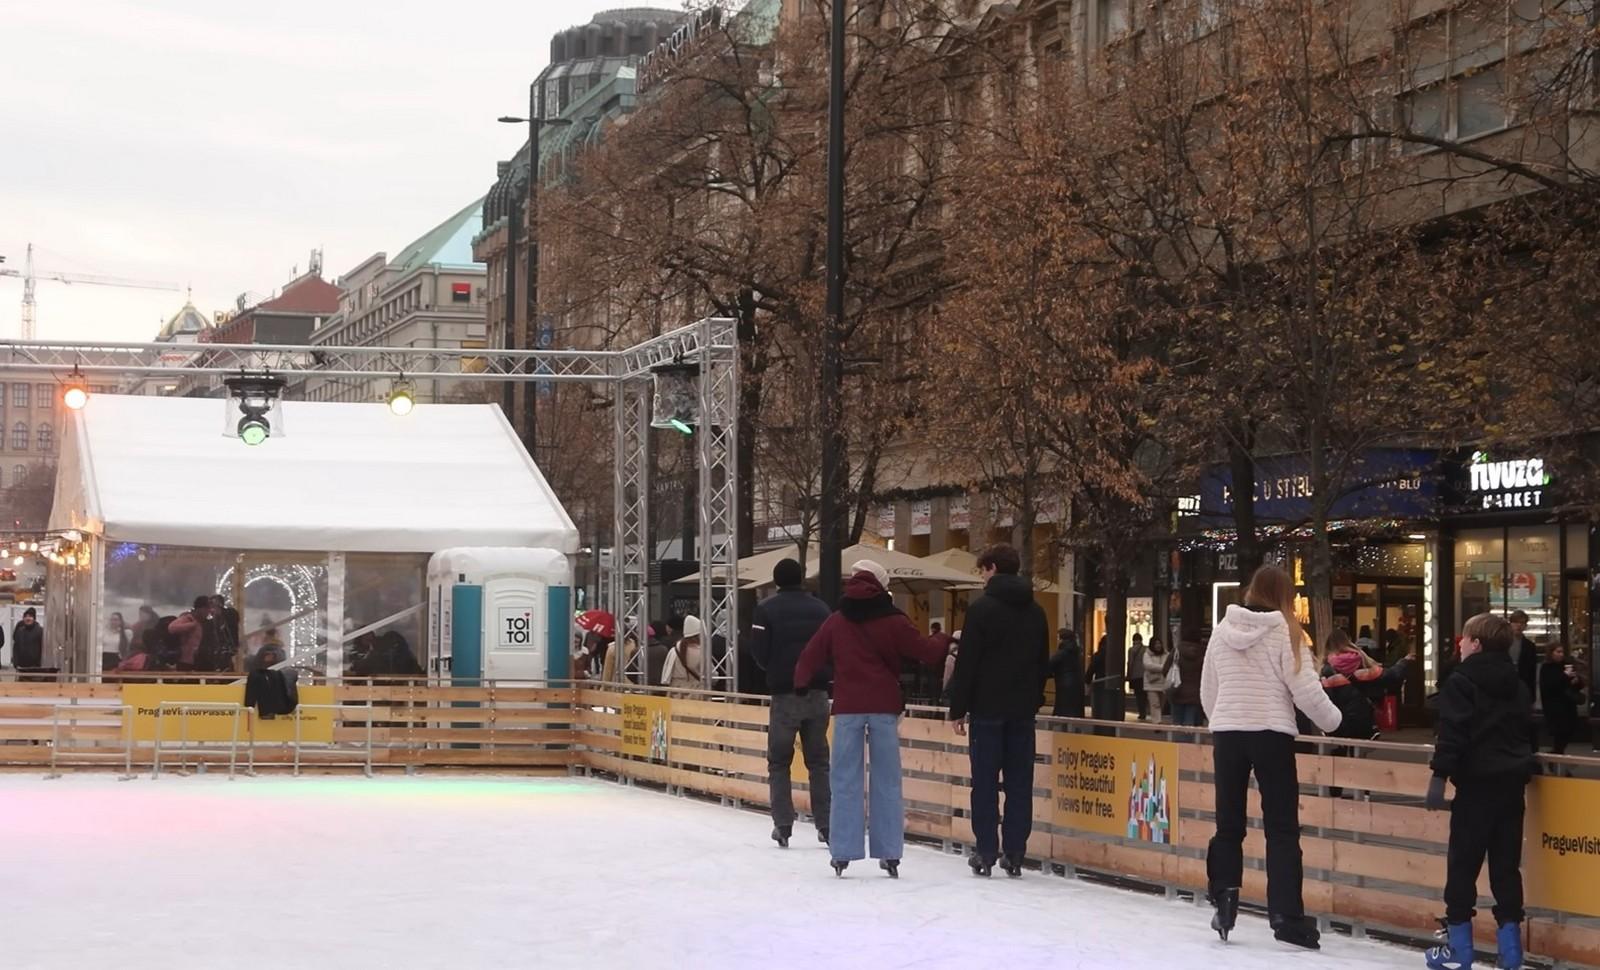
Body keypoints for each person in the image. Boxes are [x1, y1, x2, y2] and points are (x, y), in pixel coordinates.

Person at [1201, 565, 1342, 950]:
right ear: (1283, 595)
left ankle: (1224, 902)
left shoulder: (1221, 631)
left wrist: (1225, 719)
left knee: (1228, 824)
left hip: (1228, 735)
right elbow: (1306, 690)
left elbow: (1208, 689)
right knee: (1281, 828)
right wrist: (1335, 721)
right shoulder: (1285, 631)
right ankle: (1286, 916)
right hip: (1272, 736)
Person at [794, 559, 947, 877]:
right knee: (887, 780)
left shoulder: (837, 620)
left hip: (848, 706)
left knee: (844, 780)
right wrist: (945, 639)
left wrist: (801, 682)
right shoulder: (893, 619)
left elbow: (811, 653)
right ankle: (889, 852)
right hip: (884, 705)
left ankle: (843, 851)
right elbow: (926, 652)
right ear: (881, 585)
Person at [1423, 612, 1535, 970]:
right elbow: (1527, 732)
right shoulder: (1518, 686)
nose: (1460, 643)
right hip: (1511, 786)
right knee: (1506, 867)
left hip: (1475, 787)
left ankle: (1459, 950)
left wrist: (1439, 777)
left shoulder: (1461, 682)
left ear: (1477, 644)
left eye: (1465, 638)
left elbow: (1454, 731)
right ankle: (1511, 948)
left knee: (1463, 865)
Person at [946, 544, 1049, 877]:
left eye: (983, 570)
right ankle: (1015, 852)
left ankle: (986, 851)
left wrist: (958, 708)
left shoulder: (981, 610)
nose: (982, 577)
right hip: (1022, 712)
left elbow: (968, 664)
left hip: (987, 709)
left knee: (985, 782)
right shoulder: (1036, 612)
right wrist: (1033, 700)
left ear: (991, 568)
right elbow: (1041, 664)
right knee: (1020, 783)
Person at [749, 558, 834, 848]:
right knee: (819, 761)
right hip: (818, 692)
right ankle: (826, 824)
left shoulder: (766, 609)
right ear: (802, 578)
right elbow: (831, 647)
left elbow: (758, 652)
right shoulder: (822, 609)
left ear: (776, 581)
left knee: (779, 761)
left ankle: (783, 824)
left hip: (785, 694)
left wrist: (774, 669)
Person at [1539, 643, 1585, 755]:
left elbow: (1577, 685)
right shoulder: (1546, 668)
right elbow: (1550, 686)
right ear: (1551, 653)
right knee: (1560, 734)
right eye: (1558, 652)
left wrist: (1576, 681)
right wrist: (1565, 676)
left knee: (1568, 733)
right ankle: (1556, 759)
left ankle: (1555, 758)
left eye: (1562, 652)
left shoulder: (1565, 665)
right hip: (1555, 707)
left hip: (1568, 705)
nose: (1561, 655)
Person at [1170, 631, 1206, 728]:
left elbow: (1166, 669)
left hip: (1177, 691)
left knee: (1177, 725)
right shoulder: (1203, 652)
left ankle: (1178, 741)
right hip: (1195, 693)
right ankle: (1190, 742)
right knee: (1190, 725)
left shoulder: (1176, 651)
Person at [1048, 628, 1086, 718]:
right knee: (1073, 715)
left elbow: (1049, 666)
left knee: (1064, 714)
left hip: (1064, 687)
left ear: (1062, 639)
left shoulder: (1062, 653)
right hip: (1076, 687)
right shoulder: (1076, 652)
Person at [167, 597, 211, 672]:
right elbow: (171, 628)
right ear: (199, 608)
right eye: (206, 609)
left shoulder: (204, 622)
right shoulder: (188, 618)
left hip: (199, 662)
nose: (208, 612)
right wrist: (192, 625)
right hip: (185, 661)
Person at [662, 615, 705, 690]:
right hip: (695, 691)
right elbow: (711, 675)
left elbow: (666, 674)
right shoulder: (701, 652)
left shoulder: (673, 651)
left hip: (675, 691)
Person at [1507, 610, 1539, 693]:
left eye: (1522, 623)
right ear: (1510, 624)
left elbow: (1532, 672)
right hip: (1505, 682)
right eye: (1516, 622)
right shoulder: (1503, 642)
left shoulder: (1530, 646)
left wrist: (1532, 694)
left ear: (1525, 626)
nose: (1519, 625)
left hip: (1523, 684)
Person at [1142, 637, 1171, 725]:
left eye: (1159, 643)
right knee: (1155, 703)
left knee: (1161, 704)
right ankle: (1156, 722)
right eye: (1156, 644)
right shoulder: (1147, 654)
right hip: (1151, 683)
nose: (1158, 646)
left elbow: (1169, 664)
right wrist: (1162, 668)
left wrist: (1160, 668)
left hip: (1163, 683)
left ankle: (1158, 719)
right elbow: (1148, 665)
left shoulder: (1166, 654)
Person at [1127, 633, 1149, 720]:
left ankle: (1141, 712)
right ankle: (1145, 710)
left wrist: (1129, 675)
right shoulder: (1146, 649)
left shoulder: (1131, 650)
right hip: (1145, 674)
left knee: (1138, 695)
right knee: (1144, 694)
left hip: (1135, 675)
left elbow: (1130, 663)